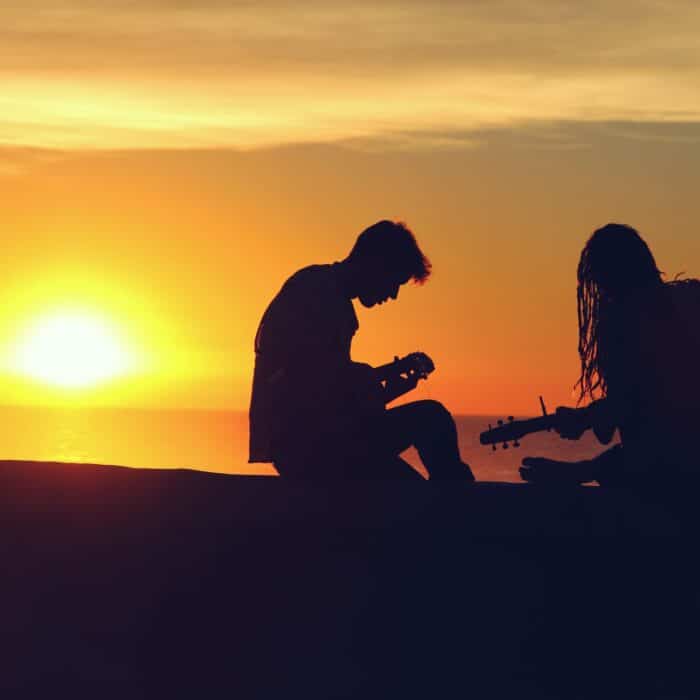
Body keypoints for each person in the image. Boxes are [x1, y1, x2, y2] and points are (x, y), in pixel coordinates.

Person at [248, 220, 474, 482]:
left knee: (414, 484)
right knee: (431, 417)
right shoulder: (319, 293)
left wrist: (386, 385)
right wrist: (376, 380)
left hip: (310, 444)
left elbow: (333, 392)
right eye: (394, 281)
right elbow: (315, 386)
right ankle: (462, 506)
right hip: (309, 449)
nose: (393, 294)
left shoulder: (321, 289)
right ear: (376, 263)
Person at [520, 223, 700, 487]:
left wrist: (579, 466)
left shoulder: (626, 323)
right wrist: (589, 419)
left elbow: (652, 422)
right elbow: (633, 409)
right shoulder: (689, 300)